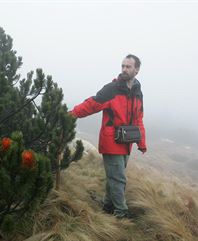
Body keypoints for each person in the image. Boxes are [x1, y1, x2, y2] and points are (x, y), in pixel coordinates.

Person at [69, 54, 147, 218]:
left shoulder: (138, 93)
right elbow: (91, 104)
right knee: (119, 178)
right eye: (123, 66)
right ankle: (121, 212)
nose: (124, 69)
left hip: (127, 142)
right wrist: (71, 115)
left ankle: (108, 205)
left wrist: (141, 142)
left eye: (128, 66)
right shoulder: (111, 89)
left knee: (114, 176)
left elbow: (139, 119)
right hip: (111, 141)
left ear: (137, 70)